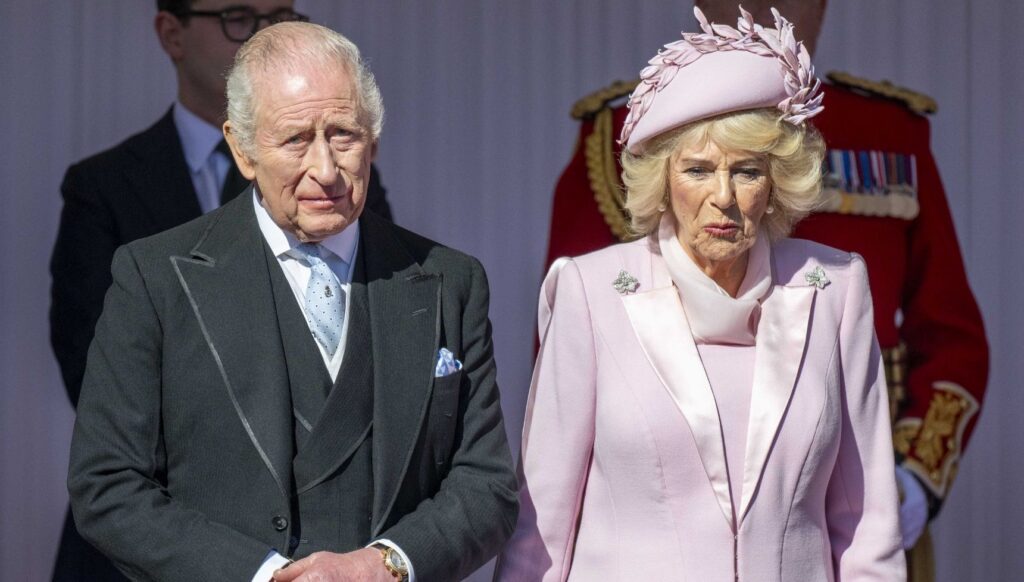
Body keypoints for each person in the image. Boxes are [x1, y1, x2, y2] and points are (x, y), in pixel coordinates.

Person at [541, 2, 988, 580]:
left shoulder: (889, 133)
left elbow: (951, 336)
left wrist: (913, 478)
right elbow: (573, 379)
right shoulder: (626, 130)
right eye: (701, 172)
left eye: (748, 173)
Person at [67, 21, 517, 582]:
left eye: (344, 135)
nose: (325, 170)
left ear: (373, 138)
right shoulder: (157, 280)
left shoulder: (448, 281)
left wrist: (387, 564)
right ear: (242, 149)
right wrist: (261, 575)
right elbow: (107, 484)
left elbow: (486, 484)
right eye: (296, 139)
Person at [49, 3, 394, 579]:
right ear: (171, 32)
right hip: (153, 551)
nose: (262, 32)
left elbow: (370, 355)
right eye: (237, 15)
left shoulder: (338, 182)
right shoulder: (104, 188)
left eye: (277, 12)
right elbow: (94, 381)